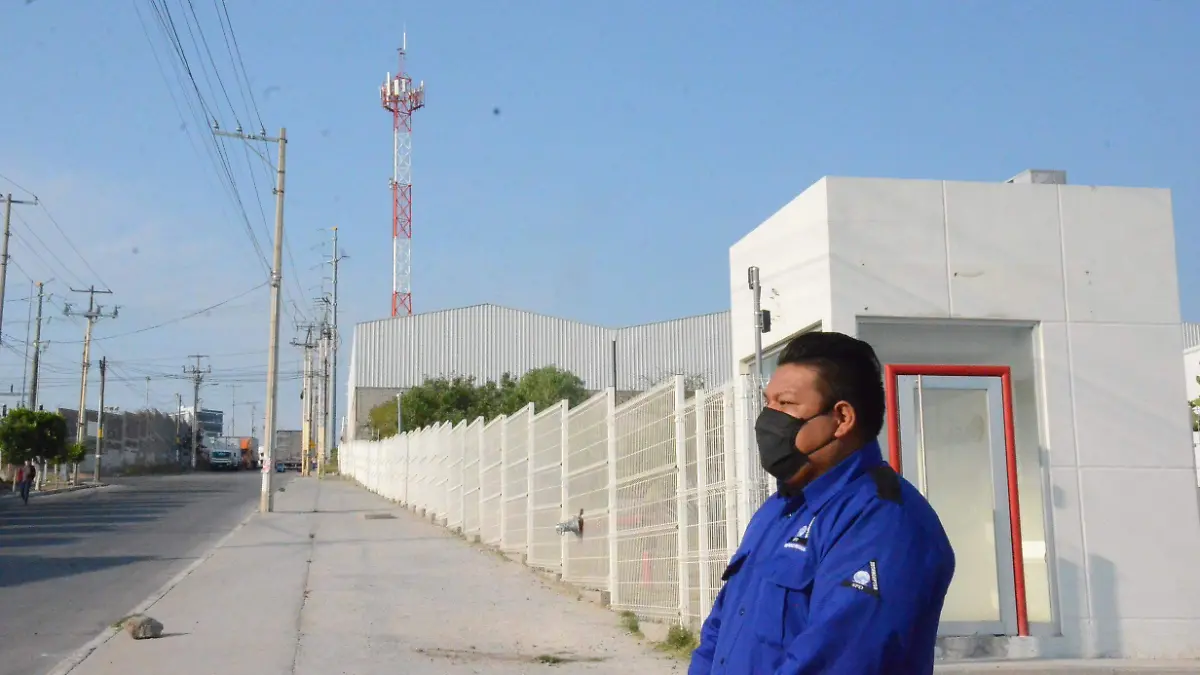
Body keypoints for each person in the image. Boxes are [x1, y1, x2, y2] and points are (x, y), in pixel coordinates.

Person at [689, 331, 955, 674]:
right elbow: (719, 632)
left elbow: (836, 659)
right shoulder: (778, 510)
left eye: (785, 404)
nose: (767, 419)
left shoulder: (884, 521)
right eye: (767, 402)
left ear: (842, 419)